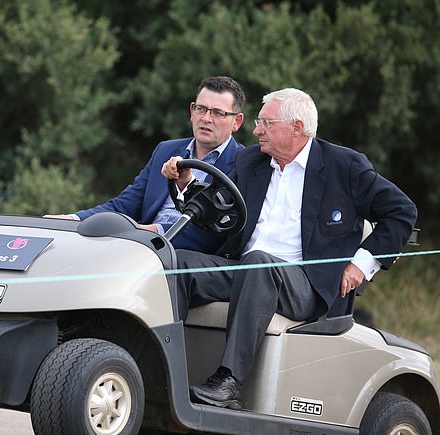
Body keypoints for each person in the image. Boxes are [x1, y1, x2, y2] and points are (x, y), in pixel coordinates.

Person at [161, 88, 417, 410]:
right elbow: (215, 212)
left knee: (258, 264)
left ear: (296, 127)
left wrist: (361, 265)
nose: (256, 131)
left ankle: (229, 382)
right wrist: (186, 184)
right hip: (246, 270)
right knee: (177, 264)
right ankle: (163, 367)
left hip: (308, 285)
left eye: (265, 123)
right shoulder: (250, 160)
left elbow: (402, 212)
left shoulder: (344, 165)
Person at [46, 76, 246, 253]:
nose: (205, 118)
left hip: (180, 255)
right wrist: (72, 219)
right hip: (139, 243)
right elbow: (125, 204)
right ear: (191, 112)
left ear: (236, 122)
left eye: (218, 113)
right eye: (201, 109)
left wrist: (151, 232)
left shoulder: (243, 163)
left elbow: (218, 233)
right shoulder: (166, 150)